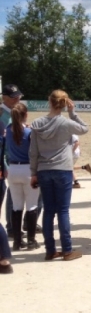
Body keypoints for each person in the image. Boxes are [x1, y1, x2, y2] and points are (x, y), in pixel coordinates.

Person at [29, 90, 89, 261]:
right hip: (62, 168)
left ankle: (50, 249)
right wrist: (73, 113)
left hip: (43, 169)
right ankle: (67, 249)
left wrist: (33, 172)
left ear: (49, 101)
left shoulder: (37, 123)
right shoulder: (66, 123)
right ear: (65, 103)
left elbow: (33, 151)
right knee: (63, 210)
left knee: (48, 211)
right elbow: (84, 129)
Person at [5, 102, 40, 250]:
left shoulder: (8, 129)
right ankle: (31, 240)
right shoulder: (28, 132)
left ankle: (17, 241)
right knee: (32, 205)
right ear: (25, 115)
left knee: (17, 206)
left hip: (13, 168)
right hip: (27, 169)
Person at [0, 83, 24, 235]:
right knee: (10, 193)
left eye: (18, 96)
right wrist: (4, 166)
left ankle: (14, 226)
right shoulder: (2, 115)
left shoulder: (15, 112)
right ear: (4, 98)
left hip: (15, 157)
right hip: (6, 161)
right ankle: (10, 227)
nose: (18, 99)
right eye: (14, 97)